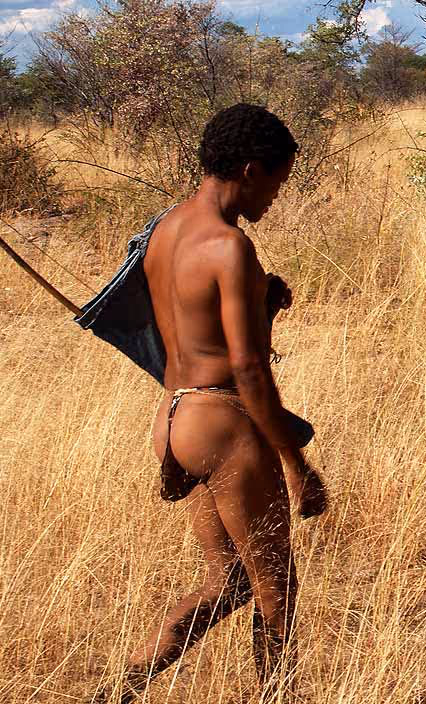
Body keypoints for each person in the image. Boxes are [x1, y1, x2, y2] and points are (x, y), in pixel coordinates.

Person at [102, 103, 327, 702]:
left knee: (228, 579)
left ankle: (132, 677)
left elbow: (189, 325)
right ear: (251, 170)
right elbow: (248, 368)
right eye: (277, 182)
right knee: (275, 586)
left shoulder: (163, 229)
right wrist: (295, 463)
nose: (276, 197)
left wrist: (262, 305)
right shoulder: (230, 246)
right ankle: (279, 696)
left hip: (175, 416)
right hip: (223, 424)